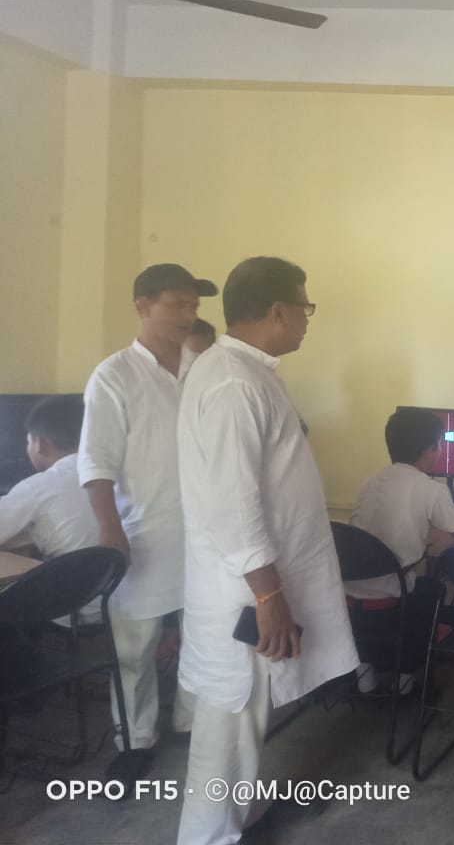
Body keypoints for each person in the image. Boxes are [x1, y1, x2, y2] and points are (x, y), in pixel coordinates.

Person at [176, 256, 358, 845]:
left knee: (244, 723)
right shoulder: (234, 382)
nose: (307, 319)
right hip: (243, 595)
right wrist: (267, 596)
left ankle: (237, 817)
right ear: (278, 311)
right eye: (305, 308)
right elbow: (234, 503)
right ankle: (209, 836)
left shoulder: (244, 371)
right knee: (228, 729)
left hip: (245, 584)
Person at [80, 263, 214, 774]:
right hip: (144, 533)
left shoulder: (204, 368)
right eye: (178, 304)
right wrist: (109, 528)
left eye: (194, 305)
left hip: (204, 532)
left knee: (202, 635)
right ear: (143, 306)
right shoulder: (114, 375)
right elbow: (97, 462)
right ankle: (135, 741)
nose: (189, 314)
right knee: (134, 648)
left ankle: (191, 722)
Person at [346, 408, 454, 693]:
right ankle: (405, 683)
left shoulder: (370, 481)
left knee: (411, 575)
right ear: (430, 450)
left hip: (350, 601)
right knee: (432, 588)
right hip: (393, 602)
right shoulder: (431, 489)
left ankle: (365, 681)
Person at [0, 396, 101, 622]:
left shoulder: (38, 486)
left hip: (73, 609)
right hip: (119, 604)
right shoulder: (115, 475)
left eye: (27, 442)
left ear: (40, 444)